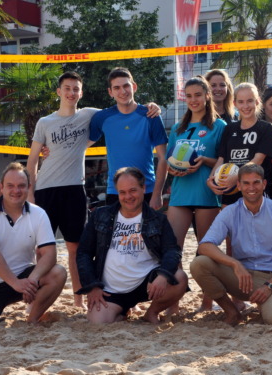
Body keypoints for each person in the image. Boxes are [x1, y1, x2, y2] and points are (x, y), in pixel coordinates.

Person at [27, 71, 160, 309]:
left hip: (77, 189)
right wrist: (31, 192)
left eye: (76, 89)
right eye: (67, 88)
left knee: (77, 249)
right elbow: (35, 159)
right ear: (59, 91)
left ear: (81, 92)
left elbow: (124, 109)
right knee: (44, 249)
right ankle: (37, 297)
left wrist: (152, 106)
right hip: (48, 190)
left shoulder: (91, 114)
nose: (71, 93)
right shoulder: (46, 122)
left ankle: (79, 300)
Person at [75, 167, 188, 324]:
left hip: (146, 283)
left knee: (179, 277)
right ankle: (122, 311)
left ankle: (151, 312)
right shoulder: (100, 215)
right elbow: (83, 253)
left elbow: (172, 250)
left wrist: (163, 275)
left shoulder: (158, 219)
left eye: (132, 190)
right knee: (97, 322)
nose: (128, 196)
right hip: (110, 289)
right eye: (122, 192)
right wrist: (92, 287)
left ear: (143, 188)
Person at [191, 163, 272, 326]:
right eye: (246, 183)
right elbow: (205, 246)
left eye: (256, 182)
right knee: (199, 264)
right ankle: (232, 312)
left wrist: (269, 286)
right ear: (239, 186)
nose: (251, 187)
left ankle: (266, 303)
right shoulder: (230, 211)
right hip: (239, 276)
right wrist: (234, 263)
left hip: (269, 278)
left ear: (264, 184)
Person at [0, 162, 67, 329]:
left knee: (58, 272)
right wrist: (15, 283)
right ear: (1, 187)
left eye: (21, 186)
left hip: (23, 279)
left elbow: (50, 254)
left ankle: (32, 319)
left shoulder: (38, 213)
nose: (16, 190)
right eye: (10, 186)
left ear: (28, 187)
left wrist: (31, 281)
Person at [206, 82, 272, 311]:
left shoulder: (265, 129)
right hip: (229, 192)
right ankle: (237, 297)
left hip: (252, 192)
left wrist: (237, 179)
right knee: (231, 243)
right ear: (234, 103)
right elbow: (222, 159)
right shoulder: (229, 129)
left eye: (250, 101)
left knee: (255, 240)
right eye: (241, 101)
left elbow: (257, 161)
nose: (245, 105)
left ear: (257, 103)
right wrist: (212, 177)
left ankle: (257, 289)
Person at [166, 76, 227, 313]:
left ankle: (207, 302)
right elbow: (170, 160)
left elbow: (222, 162)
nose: (193, 100)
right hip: (180, 194)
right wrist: (172, 169)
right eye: (189, 96)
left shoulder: (218, 126)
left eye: (198, 95)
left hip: (206, 194)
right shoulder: (179, 128)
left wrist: (203, 161)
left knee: (205, 250)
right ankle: (173, 303)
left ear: (207, 96)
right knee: (173, 250)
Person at [88, 67, 168, 210]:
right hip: (116, 191)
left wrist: (157, 194)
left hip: (146, 190)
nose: (123, 91)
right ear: (110, 92)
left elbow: (164, 158)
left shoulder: (151, 115)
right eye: (117, 88)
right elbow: (81, 145)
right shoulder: (102, 117)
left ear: (134, 87)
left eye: (126, 86)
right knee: (117, 233)